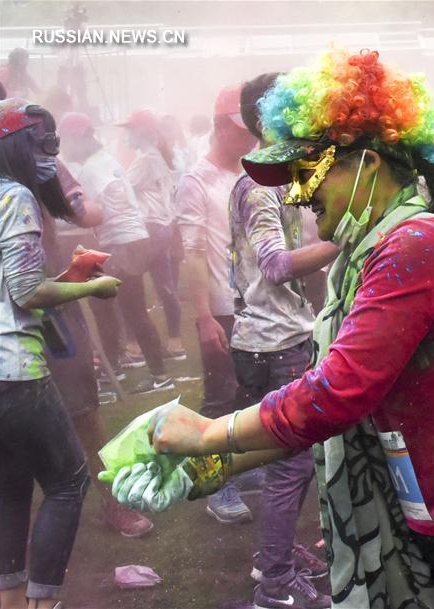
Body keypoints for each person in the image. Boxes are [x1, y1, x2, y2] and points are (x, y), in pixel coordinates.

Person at [120, 49, 434, 609]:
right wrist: (202, 468)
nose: (299, 194)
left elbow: (333, 396)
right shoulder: (364, 259)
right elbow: (317, 408)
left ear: (369, 163)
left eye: (307, 172)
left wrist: (209, 433)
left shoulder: (416, 245)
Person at [0, 98, 121, 609]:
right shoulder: (15, 198)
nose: (52, 155)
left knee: (8, 488)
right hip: (14, 373)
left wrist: (66, 280)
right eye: (45, 145)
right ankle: (42, 605)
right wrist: (93, 289)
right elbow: (26, 292)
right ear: (21, 147)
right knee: (69, 481)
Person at [227, 72, 339, 608]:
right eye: (290, 114)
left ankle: (280, 556)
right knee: (288, 464)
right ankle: (273, 580)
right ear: (262, 122)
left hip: (279, 333)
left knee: (293, 461)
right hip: (271, 342)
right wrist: (346, 238)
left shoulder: (282, 177)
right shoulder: (255, 186)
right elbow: (274, 266)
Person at [42, 156, 155, 538]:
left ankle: (113, 501)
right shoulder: (32, 150)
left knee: (82, 408)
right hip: (27, 301)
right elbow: (88, 213)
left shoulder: (35, 157)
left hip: (50, 299)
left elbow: (86, 213)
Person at [176, 84, 259, 521]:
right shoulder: (196, 181)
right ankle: (212, 487)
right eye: (242, 130)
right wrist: (204, 316)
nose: (251, 138)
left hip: (252, 303)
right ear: (219, 127)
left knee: (248, 393)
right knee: (219, 396)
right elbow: (189, 252)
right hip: (221, 306)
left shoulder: (251, 173)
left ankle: (238, 470)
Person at [58, 112, 174, 393]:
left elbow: (85, 214)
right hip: (130, 241)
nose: (64, 148)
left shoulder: (90, 171)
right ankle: (122, 371)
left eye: (66, 141)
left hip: (121, 244)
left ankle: (153, 376)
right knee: (117, 309)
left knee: (118, 310)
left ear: (80, 138)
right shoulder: (106, 161)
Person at [119, 108, 185, 360]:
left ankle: (134, 346)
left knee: (129, 288)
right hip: (163, 229)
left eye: (128, 130)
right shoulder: (157, 156)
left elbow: (122, 190)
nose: (126, 135)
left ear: (141, 132)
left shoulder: (145, 159)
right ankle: (175, 343)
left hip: (149, 229)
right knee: (165, 287)